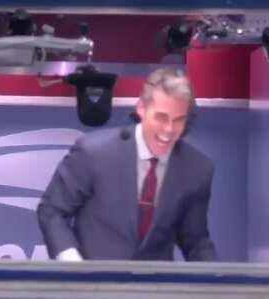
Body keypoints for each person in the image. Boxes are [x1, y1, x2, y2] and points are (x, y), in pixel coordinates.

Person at [37, 67, 216, 261]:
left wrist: (216, 283)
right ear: (141, 109)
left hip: (154, 288)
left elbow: (195, 241)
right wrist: (73, 264)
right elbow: (52, 210)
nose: (169, 130)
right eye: (161, 117)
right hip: (92, 283)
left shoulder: (197, 169)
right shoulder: (94, 153)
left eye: (178, 120)